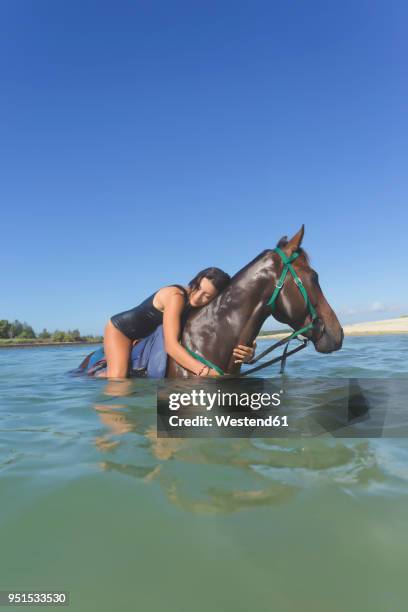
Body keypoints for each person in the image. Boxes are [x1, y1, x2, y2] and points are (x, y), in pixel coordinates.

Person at [100, 267, 256, 379]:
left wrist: (249, 351)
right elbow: (171, 346)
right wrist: (206, 372)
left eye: (206, 296)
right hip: (122, 330)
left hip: (148, 333)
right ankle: (97, 375)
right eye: (199, 288)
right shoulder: (176, 297)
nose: (197, 297)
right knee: (119, 380)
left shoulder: (199, 306)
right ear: (196, 280)